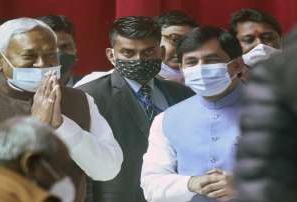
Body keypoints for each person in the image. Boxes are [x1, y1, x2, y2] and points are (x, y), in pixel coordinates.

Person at [0, 17, 123, 202]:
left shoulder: (80, 99)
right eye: (29, 56)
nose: (42, 64)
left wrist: (62, 127)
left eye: (51, 54)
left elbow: (108, 169)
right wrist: (31, 129)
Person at [78, 16, 194, 202]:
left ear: (161, 52)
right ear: (111, 55)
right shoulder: (88, 97)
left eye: (148, 52)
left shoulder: (183, 95)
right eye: (128, 53)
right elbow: (82, 167)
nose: (139, 60)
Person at [141, 26, 246, 202]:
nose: (201, 68)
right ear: (182, 69)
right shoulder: (166, 120)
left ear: (236, 65)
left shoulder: (277, 112)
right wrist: (191, 183)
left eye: (211, 60)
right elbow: (152, 186)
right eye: (191, 62)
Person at [234, 29, 297, 202]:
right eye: (248, 39)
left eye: (267, 37)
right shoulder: (281, 70)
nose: (259, 45)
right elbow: (262, 170)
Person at [155, 10, 198, 83]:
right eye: (175, 39)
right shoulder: (145, 80)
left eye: (189, 42)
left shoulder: (205, 80)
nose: (182, 49)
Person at [37, 15, 80, 87]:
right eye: (49, 49)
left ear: (75, 50)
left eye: (64, 46)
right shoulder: (21, 93)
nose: (58, 53)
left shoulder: (89, 90)